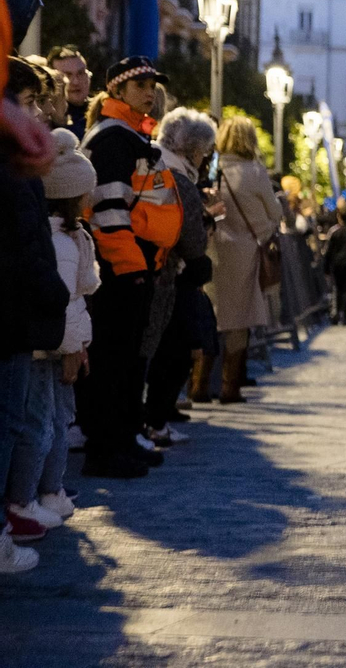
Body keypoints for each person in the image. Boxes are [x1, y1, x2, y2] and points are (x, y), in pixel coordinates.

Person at [80, 57, 181, 477]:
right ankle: (105, 452)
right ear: (116, 91)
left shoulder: (131, 135)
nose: (149, 91)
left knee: (124, 364)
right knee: (111, 364)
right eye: (140, 84)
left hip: (136, 266)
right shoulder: (113, 138)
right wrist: (130, 266)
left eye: (152, 84)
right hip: (120, 270)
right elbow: (108, 206)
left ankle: (122, 440)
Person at [4, 129, 96, 553]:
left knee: (46, 423)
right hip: (50, 345)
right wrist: (73, 346)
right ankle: (31, 496)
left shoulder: (64, 238)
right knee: (41, 425)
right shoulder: (65, 244)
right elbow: (68, 301)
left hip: (52, 341)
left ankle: (41, 492)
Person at [0, 91, 71, 563]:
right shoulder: (13, 167)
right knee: (14, 421)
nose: (37, 112)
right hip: (15, 314)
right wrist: (55, 295)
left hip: (19, 313)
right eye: (28, 99)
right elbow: (26, 242)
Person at [144, 109, 217, 444]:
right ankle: (155, 421)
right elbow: (192, 240)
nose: (205, 160)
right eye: (204, 152)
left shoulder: (153, 164)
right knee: (173, 350)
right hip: (168, 277)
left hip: (152, 272)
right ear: (193, 150)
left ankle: (152, 421)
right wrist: (206, 224)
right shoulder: (181, 179)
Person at [207, 116, 282, 405]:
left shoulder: (214, 168)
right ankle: (229, 386)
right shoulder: (255, 171)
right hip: (245, 254)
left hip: (213, 250)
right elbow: (274, 213)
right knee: (238, 320)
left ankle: (199, 383)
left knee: (211, 315)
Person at [45, 46, 92, 139]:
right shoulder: (42, 117)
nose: (75, 82)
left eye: (80, 73)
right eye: (67, 75)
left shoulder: (101, 113)